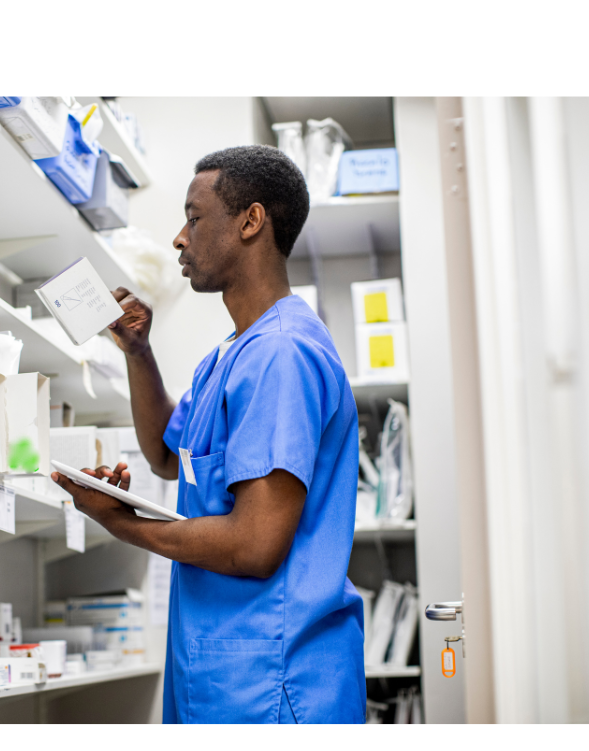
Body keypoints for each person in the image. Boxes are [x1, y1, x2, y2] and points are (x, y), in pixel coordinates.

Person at [51, 145, 365, 724]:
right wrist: (138, 353)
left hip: (274, 684)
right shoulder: (231, 354)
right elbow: (169, 455)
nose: (178, 238)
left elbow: (254, 545)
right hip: (224, 676)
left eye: (194, 218)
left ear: (250, 221)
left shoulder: (281, 353)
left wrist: (122, 523)